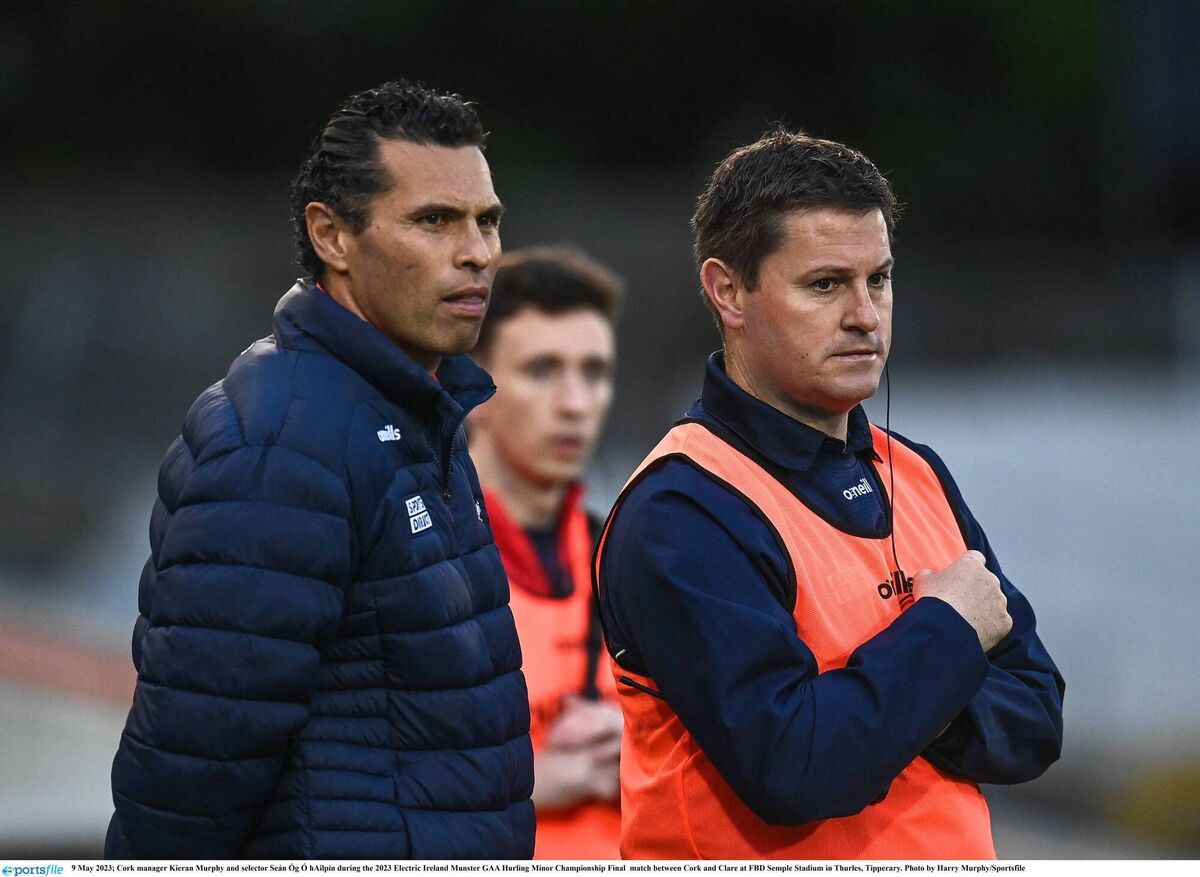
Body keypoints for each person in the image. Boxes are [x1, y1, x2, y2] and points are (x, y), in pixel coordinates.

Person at [594, 128, 1065, 859]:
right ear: (728, 292)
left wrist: (889, 705)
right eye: (825, 284)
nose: (865, 316)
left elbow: (1036, 718)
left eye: (878, 279)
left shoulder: (917, 471)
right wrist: (945, 634)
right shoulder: (681, 508)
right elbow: (798, 765)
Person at [105, 80, 534, 859]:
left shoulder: (418, 412)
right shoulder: (282, 439)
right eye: (434, 220)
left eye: (487, 219)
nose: (477, 251)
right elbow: (194, 768)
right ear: (332, 237)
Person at [467, 246, 624, 859]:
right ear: (470, 387)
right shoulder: (405, 562)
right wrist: (520, 783)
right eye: (541, 370)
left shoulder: (631, 559)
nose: (576, 404)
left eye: (594, 372)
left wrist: (645, 748)